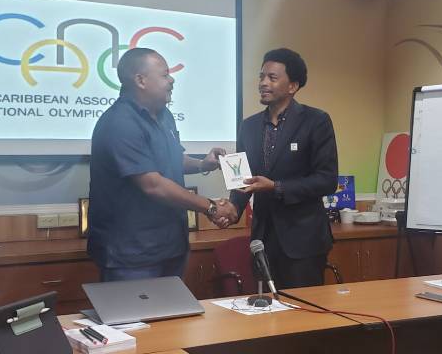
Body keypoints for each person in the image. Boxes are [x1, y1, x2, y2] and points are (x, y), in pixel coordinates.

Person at [88, 47, 237, 282]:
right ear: (140, 80)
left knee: (172, 318)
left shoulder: (164, 115)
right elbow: (152, 184)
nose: (172, 80)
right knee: (134, 319)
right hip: (133, 254)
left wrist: (202, 165)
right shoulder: (120, 123)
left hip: (170, 246)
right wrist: (210, 207)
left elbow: (171, 159)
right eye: (165, 74)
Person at [229, 48, 339, 289]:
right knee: (267, 314)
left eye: (272, 77)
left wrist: (276, 187)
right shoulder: (248, 127)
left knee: (304, 317)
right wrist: (232, 208)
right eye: (261, 77)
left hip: (303, 241)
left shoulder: (316, 121)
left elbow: (327, 180)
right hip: (262, 239)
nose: (263, 83)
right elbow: (242, 179)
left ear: (293, 86)